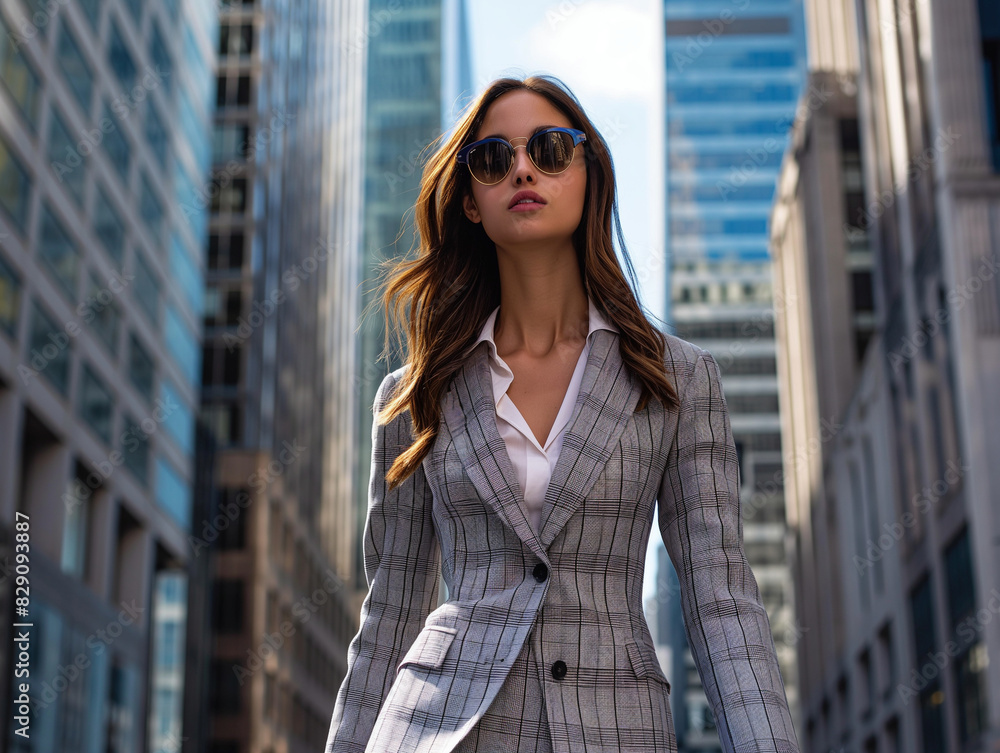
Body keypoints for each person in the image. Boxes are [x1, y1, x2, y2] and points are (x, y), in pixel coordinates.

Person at [325, 76, 800, 753]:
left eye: (550, 150)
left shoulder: (679, 380)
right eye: (493, 158)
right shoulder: (414, 394)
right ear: (470, 201)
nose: (523, 167)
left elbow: (720, 599)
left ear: (588, 175)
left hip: (617, 728)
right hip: (436, 727)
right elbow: (390, 613)